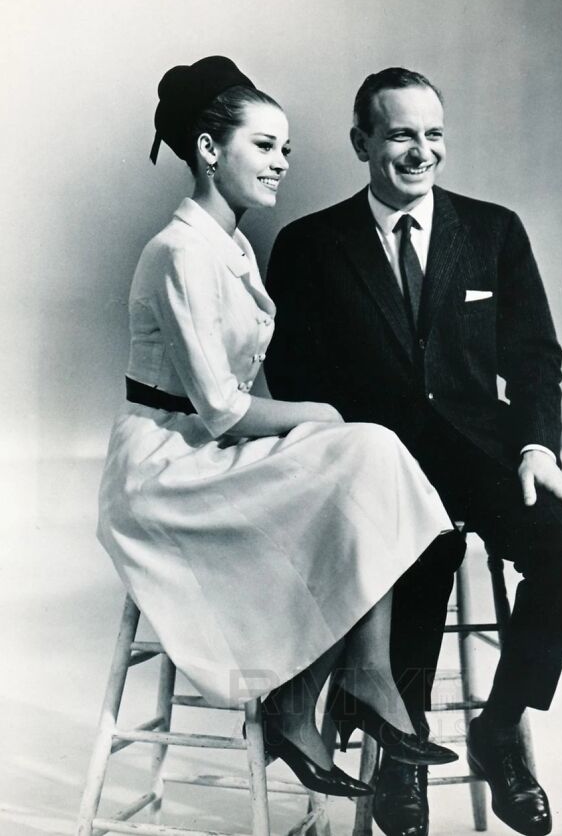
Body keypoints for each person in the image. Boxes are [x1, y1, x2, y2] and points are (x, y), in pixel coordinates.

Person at [97, 56, 459, 801]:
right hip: (165, 470)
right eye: (264, 146)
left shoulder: (229, 247)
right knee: (361, 445)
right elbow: (224, 409)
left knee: (366, 456)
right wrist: (320, 416)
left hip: (206, 453)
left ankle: (328, 690)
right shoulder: (179, 251)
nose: (281, 165)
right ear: (208, 149)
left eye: (286, 150)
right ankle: (342, 684)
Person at [265, 67, 562, 836]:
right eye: (399, 135)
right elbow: (292, 377)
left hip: (486, 454)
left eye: (433, 135)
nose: (421, 152)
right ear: (361, 143)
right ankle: (403, 746)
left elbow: (534, 356)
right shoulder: (309, 246)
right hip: (376, 466)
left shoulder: (493, 231)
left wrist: (535, 447)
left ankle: (500, 726)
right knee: (422, 561)